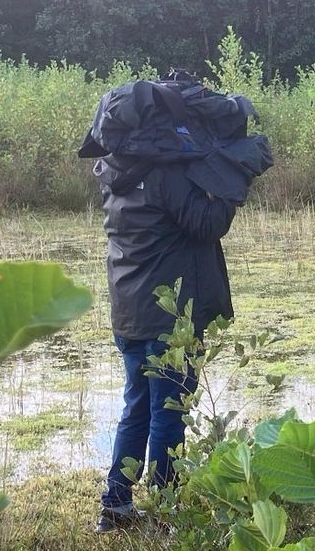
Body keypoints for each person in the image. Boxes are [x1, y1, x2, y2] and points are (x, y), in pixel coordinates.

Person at [96, 150, 238, 531]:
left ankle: (115, 504)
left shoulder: (112, 175)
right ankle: (166, 509)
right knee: (168, 413)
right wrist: (232, 186)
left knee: (136, 407)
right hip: (168, 320)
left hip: (128, 315)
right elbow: (208, 223)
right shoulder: (166, 176)